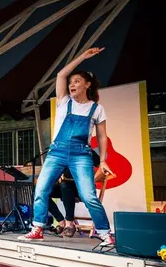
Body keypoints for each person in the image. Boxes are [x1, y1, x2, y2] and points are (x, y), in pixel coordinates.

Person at [20, 47, 114, 245]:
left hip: (82, 154)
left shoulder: (96, 108)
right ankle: (37, 228)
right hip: (57, 152)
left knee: (89, 196)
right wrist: (82, 57)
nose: (72, 84)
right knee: (42, 189)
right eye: (71, 82)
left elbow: (102, 136)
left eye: (77, 81)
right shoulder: (63, 101)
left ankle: (106, 234)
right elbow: (61, 74)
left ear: (87, 85)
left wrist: (103, 160)